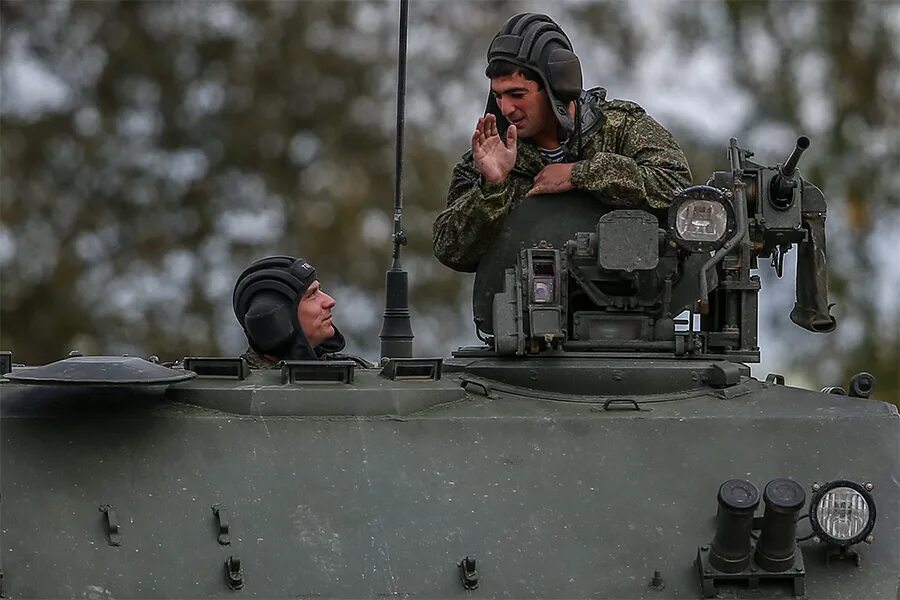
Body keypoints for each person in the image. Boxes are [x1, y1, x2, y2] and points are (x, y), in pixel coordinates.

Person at [433, 13, 693, 272]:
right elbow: (450, 249)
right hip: (527, 308)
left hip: (631, 303)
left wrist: (581, 174)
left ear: (557, 87)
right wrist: (493, 187)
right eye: (498, 96)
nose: (507, 108)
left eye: (517, 94)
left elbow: (677, 191)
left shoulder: (620, 129)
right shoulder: (490, 159)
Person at [232, 255, 369, 369]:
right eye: (311, 295)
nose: (330, 301)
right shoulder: (235, 391)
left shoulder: (354, 372)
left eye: (319, 290)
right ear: (275, 318)